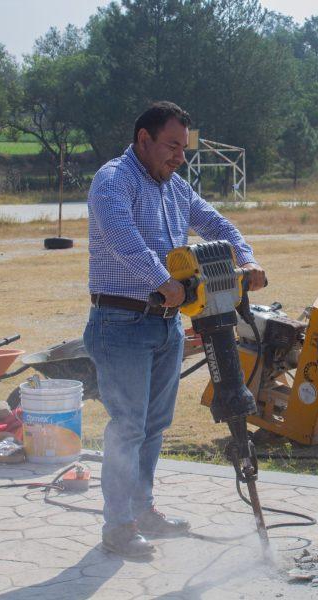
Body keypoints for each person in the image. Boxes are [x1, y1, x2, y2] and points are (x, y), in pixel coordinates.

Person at [82, 101, 266, 558]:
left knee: (154, 424)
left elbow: (216, 223)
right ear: (143, 140)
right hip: (121, 322)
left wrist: (247, 258)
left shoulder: (174, 187)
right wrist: (162, 282)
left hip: (167, 326)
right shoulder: (113, 181)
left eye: (183, 148)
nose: (179, 157)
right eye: (171, 146)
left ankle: (142, 510)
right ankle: (118, 526)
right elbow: (123, 238)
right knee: (127, 426)